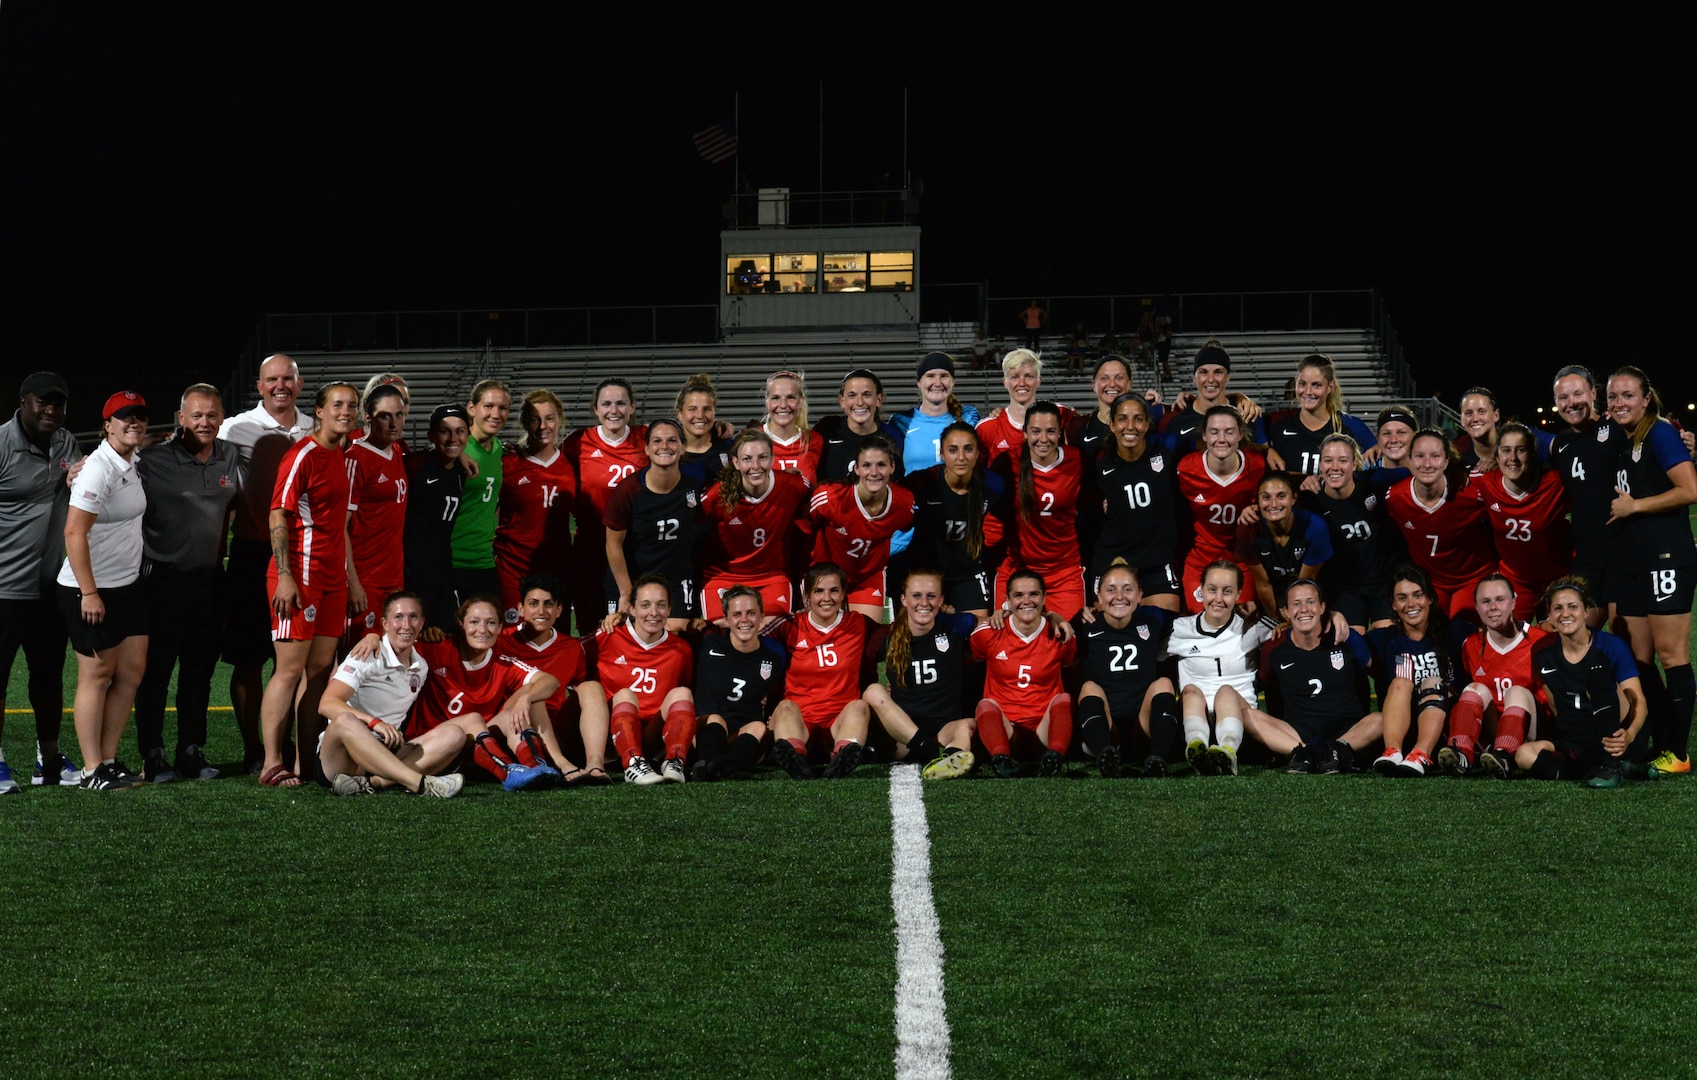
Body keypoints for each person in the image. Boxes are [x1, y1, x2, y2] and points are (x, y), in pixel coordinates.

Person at [133, 383, 244, 783]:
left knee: (199, 671)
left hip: (211, 582)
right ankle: (153, 753)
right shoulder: (151, 460)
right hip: (162, 580)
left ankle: (191, 750)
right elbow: (111, 469)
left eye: (212, 415)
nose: (204, 422)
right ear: (181, 418)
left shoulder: (230, 456)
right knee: (156, 672)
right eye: (196, 415)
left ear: (222, 417)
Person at [256, 382, 360, 788]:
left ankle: (305, 762)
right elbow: (277, 515)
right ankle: (271, 763)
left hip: (333, 581)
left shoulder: (343, 456)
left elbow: (340, 527)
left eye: (351, 405)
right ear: (318, 411)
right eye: (337, 404)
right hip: (299, 577)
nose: (345, 411)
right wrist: (285, 576)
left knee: (320, 673)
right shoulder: (302, 455)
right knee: (289, 670)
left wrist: (351, 579)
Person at [218, 353, 312, 772]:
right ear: (258, 386)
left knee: (296, 660)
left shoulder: (316, 427)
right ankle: (254, 748)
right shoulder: (234, 428)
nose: (280, 386)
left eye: (287, 379)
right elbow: (188, 447)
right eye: (271, 379)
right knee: (250, 655)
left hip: (307, 557)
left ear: (300, 383)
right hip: (253, 553)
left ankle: (291, 745)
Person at [1603, 365, 1697, 775]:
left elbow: (1690, 490)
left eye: (1627, 395)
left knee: (1671, 654)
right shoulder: (1625, 440)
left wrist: (1635, 507)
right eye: (1613, 397)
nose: (1619, 403)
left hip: (1666, 558)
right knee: (1637, 657)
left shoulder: (1659, 431)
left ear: (1645, 398)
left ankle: (1677, 753)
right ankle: (1653, 739)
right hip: (1633, 562)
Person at [58, 390, 152, 791]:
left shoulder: (131, 461)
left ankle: (109, 760)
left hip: (127, 585)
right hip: (90, 588)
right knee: (96, 675)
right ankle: (91, 769)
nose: (134, 423)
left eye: (140, 416)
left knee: (130, 672)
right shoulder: (98, 469)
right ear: (107, 425)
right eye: (124, 417)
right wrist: (90, 592)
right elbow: (73, 532)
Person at [0, 371, 82, 794]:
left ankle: (48, 759)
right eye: (43, 402)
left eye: (59, 403)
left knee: (49, 677)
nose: (52, 410)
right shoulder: (1, 444)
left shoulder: (67, 442)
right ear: (23, 401)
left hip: (51, 586)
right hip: (4, 588)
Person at [402, 595, 563, 790]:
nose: (482, 630)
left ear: (501, 627)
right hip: (428, 747)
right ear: (461, 625)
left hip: (475, 750)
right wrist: (371, 639)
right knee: (473, 719)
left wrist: (525, 698)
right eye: (474, 622)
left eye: (491, 623)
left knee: (511, 712)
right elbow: (395, 644)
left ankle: (536, 767)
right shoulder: (437, 648)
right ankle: (508, 772)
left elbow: (550, 681)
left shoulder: (502, 663)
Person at [316, 591, 466, 798]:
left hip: (386, 751)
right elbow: (326, 703)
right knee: (344, 720)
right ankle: (419, 783)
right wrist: (374, 722)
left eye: (413, 617)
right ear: (385, 624)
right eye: (398, 617)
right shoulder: (367, 653)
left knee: (455, 734)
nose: (406, 625)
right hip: (344, 756)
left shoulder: (420, 667)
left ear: (422, 623)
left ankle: (373, 783)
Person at [1244, 580, 1383, 774]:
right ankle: (1302, 753)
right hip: (1297, 733)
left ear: (1322, 607)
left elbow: (1379, 673)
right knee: (1246, 714)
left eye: (1310, 602)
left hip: (1348, 730)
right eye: (1296, 603)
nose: (1304, 609)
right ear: (1285, 612)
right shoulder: (1274, 648)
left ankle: (1336, 750)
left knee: (1383, 718)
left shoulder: (1346, 638)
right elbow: (1258, 684)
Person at [1523, 577, 1647, 787]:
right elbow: (1555, 705)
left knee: (1597, 676)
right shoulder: (1541, 651)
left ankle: (1613, 764)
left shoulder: (1611, 646)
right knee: (1524, 755)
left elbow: (1638, 702)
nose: (1565, 614)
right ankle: (1598, 769)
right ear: (1550, 614)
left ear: (1586, 611)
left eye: (1573, 607)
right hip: (1576, 737)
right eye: (1558, 608)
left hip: (1617, 732)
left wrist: (1630, 734)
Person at [863, 568, 982, 779]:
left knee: (968, 725)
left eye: (931, 596)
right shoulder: (886, 636)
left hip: (944, 729)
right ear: (904, 599)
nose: (924, 603)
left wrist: (1048, 617)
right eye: (917, 596)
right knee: (873, 691)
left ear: (941, 600)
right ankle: (927, 749)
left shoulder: (955, 625)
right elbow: (857, 662)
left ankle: (951, 759)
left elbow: (994, 627)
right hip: (902, 736)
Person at [766, 563, 879, 780]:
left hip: (840, 722)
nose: (826, 598)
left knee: (859, 706)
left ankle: (843, 757)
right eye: (818, 591)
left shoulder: (858, 623)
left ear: (843, 594)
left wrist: (945, 618)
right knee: (785, 707)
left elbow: (896, 635)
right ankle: (795, 757)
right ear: (807, 596)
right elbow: (752, 646)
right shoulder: (789, 625)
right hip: (800, 722)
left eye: (834, 590)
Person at [497, 572, 612, 784]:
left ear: (559, 610)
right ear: (521, 608)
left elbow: (580, 696)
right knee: (534, 695)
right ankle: (561, 764)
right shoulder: (501, 641)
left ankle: (595, 764)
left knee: (591, 687)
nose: (541, 611)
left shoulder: (571, 647)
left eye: (548, 604)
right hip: (515, 730)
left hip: (556, 732)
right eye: (533, 603)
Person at [1164, 561, 1278, 776]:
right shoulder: (1179, 629)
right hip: (1195, 717)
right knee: (1189, 691)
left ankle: (1228, 751)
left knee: (1226, 692)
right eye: (1212, 590)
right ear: (1201, 590)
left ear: (1238, 594)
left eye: (1227, 591)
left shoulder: (1253, 627)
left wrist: (1334, 616)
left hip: (1242, 720)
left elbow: (1291, 629)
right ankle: (1197, 748)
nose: (1218, 599)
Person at [1073, 562, 1180, 777]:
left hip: (1142, 725)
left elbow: (1197, 621)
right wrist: (1052, 617)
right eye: (1111, 589)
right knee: (1089, 688)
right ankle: (1106, 757)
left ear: (1140, 595)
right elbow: (1049, 629)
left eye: (1128, 589)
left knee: (1164, 684)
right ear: (1099, 596)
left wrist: (1241, 610)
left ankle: (1158, 757)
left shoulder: (1154, 620)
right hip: (1106, 725)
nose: (1119, 596)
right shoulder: (1084, 625)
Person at [970, 569, 1077, 777]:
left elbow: (1073, 667)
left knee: (1064, 698)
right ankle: (1001, 760)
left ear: (1044, 598)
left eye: (1034, 594)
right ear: (1008, 601)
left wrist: (1053, 616)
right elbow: (967, 662)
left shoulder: (1060, 634)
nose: (1027, 601)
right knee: (985, 705)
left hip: (1043, 731)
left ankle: (1055, 758)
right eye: (1019, 595)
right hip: (1006, 730)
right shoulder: (988, 633)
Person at [591, 574, 697, 785]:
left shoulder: (681, 650)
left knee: (683, 693)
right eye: (645, 605)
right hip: (612, 735)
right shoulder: (606, 637)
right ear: (631, 609)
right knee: (625, 694)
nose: (653, 613)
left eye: (661, 605)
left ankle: (674, 760)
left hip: (653, 736)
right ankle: (632, 764)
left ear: (669, 609)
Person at [1436, 574, 1546, 778]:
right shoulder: (1471, 645)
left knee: (1517, 692)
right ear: (1476, 608)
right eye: (1485, 601)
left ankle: (1505, 754)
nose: (1493, 607)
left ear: (1514, 602)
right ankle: (1461, 752)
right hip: (1492, 731)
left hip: (1533, 732)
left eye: (1500, 599)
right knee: (1473, 689)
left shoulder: (1541, 642)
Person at [1087, 393, 1187, 614]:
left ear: (1147, 423)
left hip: (1157, 562)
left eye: (1138, 419)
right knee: (1111, 632)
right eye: (1122, 419)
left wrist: (1236, 397)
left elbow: (1207, 429)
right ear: (1112, 425)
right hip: (1113, 561)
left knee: (1167, 631)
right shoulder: (1099, 464)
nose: (1130, 426)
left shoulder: (1167, 450)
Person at [564, 377, 649, 632]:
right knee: (591, 621)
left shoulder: (646, 438)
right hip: (591, 548)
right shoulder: (577, 443)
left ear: (632, 407)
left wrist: (719, 430)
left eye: (621, 403)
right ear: (596, 409)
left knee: (633, 620)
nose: (614, 411)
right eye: (607, 404)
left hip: (634, 548)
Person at [1383, 429, 1496, 622]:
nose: (1427, 464)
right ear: (1409, 459)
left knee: (1462, 625)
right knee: (1425, 631)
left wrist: (1496, 461)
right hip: (1431, 582)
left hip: (1474, 578)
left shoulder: (1471, 490)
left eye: (1435, 456)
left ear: (1446, 461)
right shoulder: (1395, 497)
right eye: (1419, 456)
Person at [700, 429, 811, 624]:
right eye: (747, 459)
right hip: (724, 577)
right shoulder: (717, 496)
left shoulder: (793, 486)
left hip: (772, 577)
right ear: (735, 462)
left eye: (762, 458)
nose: (755, 466)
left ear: (772, 458)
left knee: (773, 634)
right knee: (725, 636)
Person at [604, 418, 706, 628]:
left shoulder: (695, 486)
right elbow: (613, 543)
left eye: (672, 440)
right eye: (657, 441)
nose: (665, 447)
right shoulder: (629, 490)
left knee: (675, 635)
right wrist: (626, 592)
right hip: (634, 577)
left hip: (675, 578)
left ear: (682, 447)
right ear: (647, 449)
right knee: (624, 635)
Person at [903, 422, 1006, 618]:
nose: (961, 457)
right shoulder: (921, 483)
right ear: (942, 453)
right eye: (953, 450)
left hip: (969, 573)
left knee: (977, 634)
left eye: (968, 449)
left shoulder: (993, 485)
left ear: (977, 453)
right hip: (926, 573)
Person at [1368, 566, 1462, 777]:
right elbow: (1344, 644)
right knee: (1401, 682)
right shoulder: (1383, 639)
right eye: (1402, 598)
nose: (1410, 604)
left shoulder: (1454, 631)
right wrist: (1335, 616)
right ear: (1393, 604)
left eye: (1417, 595)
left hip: (1444, 727)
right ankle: (1392, 752)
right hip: (1403, 726)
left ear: (1429, 598)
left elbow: (1496, 633)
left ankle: (1421, 754)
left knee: (1432, 681)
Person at [1307, 433, 1406, 633]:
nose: (1335, 467)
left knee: (1384, 638)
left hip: (1384, 584)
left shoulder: (1375, 485)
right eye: (1328, 461)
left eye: (1343, 460)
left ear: (1354, 464)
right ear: (1320, 465)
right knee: (1352, 643)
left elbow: (1416, 470)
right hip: (1345, 590)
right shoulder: (1310, 501)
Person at [996, 402, 1086, 619]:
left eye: (1051, 431)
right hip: (1017, 571)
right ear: (1024, 432)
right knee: (1011, 642)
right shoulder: (1006, 463)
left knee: (1070, 641)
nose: (1043, 439)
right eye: (1036, 431)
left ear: (1060, 433)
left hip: (1064, 572)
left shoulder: (1078, 460)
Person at [1473, 421, 1571, 621]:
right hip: (1515, 581)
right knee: (1507, 640)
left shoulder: (1556, 482)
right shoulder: (1483, 481)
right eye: (1506, 450)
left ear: (1533, 453)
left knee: (1559, 643)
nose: (1513, 458)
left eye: (1521, 450)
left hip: (1556, 579)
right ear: (1496, 455)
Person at [809, 435, 915, 619]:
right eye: (866, 465)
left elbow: (906, 526)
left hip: (868, 577)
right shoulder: (829, 499)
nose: (874, 472)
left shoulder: (904, 503)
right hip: (826, 576)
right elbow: (804, 528)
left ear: (892, 467)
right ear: (856, 468)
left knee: (867, 638)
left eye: (881, 465)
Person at [689, 585, 788, 782]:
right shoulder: (707, 643)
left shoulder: (772, 658)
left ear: (762, 616)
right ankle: (715, 764)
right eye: (737, 614)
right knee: (716, 719)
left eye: (751, 613)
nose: (744, 620)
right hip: (705, 729)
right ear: (726, 618)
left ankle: (714, 769)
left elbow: (774, 698)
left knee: (759, 727)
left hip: (741, 735)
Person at [495, 389, 576, 625]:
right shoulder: (507, 462)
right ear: (524, 423)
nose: (543, 426)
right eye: (534, 419)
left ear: (559, 420)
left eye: (549, 418)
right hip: (512, 568)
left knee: (554, 640)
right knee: (513, 638)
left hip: (557, 569)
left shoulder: (572, 466)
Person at [1547, 366, 1620, 626]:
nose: (1571, 403)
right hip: (1587, 556)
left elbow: (1653, 434)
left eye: (1578, 394)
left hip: (1623, 552)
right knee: (1577, 635)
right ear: (1555, 403)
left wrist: (1684, 439)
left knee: (1629, 641)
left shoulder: (1617, 427)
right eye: (1563, 398)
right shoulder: (1560, 444)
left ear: (1593, 393)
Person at [1176, 405, 1265, 610]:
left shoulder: (1258, 466)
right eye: (1214, 432)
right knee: (1203, 627)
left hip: (1243, 560)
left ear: (1240, 434)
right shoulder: (1186, 468)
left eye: (1229, 432)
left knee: (1244, 630)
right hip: (1201, 558)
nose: (1222, 439)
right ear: (1205, 435)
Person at [343, 382, 408, 641]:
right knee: (355, 660)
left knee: (387, 656)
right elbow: (339, 528)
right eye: (384, 416)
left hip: (393, 576)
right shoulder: (355, 458)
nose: (393, 423)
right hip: (364, 578)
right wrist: (352, 583)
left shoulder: (398, 452)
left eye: (399, 415)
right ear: (368, 418)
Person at [404, 405, 472, 629]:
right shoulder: (414, 465)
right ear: (431, 435)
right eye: (445, 431)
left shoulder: (462, 471)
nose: (453, 438)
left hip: (444, 572)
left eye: (460, 431)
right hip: (413, 574)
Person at [1237, 471, 1333, 617]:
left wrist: (1292, 619)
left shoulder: (1315, 528)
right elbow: (1263, 583)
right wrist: (1277, 620)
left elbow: (1305, 584)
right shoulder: (1248, 530)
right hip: (1274, 599)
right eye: (1266, 497)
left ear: (1294, 498)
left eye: (1281, 496)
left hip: (1311, 598)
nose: (1273, 504)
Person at [1263, 354, 1376, 476]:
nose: (1308, 392)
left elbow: (1378, 461)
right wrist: (1265, 449)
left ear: (1330, 387)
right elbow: (1246, 429)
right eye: (1302, 384)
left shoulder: (1351, 426)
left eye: (1316, 385)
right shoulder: (1278, 421)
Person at [450, 378, 509, 601]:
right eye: (489, 406)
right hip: (452, 561)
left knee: (488, 631)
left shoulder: (499, 450)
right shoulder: (453, 450)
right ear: (472, 408)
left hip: (483, 561)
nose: (496, 414)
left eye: (502, 408)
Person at [974, 349, 1076, 466]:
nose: (1022, 383)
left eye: (1028, 376)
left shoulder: (1063, 414)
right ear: (1005, 382)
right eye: (1014, 377)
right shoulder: (987, 428)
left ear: (1038, 381)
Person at [807, 369, 902, 483]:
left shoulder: (893, 436)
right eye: (852, 395)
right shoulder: (827, 429)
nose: (860, 402)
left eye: (866, 395)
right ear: (842, 401)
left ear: (878, 399)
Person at [1161, 341, 1264, 444]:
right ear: (1194, 378)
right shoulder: (1176, 419)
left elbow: (1264, 454)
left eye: (1218, 372)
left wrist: (1240, 397)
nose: (1210, 379)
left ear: (1228, 377)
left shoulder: (1248, 415)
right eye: (1203, 372)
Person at [675, 373, 732, 486]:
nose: (700, 415)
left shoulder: (730, 447)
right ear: (680, 414)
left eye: (707, 409)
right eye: (692, 409)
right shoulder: (670, 453)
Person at [759, 370, 814, 480]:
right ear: (767, 402)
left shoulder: (815, 440)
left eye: (791, 397)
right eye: (775, 398)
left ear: (801, 402)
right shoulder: (749, 439)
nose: (783, 405)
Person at [1454, 387, 1503, 472]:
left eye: (1482, 411)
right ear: (1461, 419)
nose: (1475, 419)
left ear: (1496, 415)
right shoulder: (1456, 451)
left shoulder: (1517, 445)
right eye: (1468, 413)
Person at [1369, 406, 1418, 473]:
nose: (1393, 440)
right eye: (1387, 434)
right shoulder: (1362, 470)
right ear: (1378, 438)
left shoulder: (1428, 468)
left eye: (1401, 433)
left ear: (1415, 436)